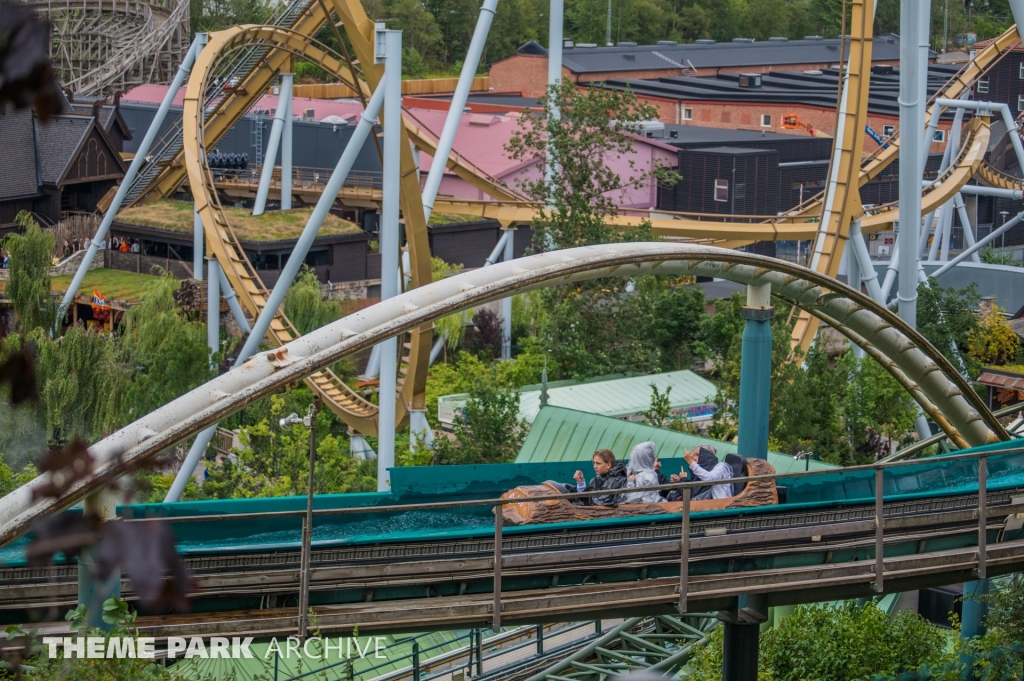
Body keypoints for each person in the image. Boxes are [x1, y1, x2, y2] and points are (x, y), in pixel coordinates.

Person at [561, 449, 628, 506]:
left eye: (598, 463)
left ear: (608, 465)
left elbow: (601, 501)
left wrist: (575, 500)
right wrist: (581, 483)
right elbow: (588, 495)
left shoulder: (616, 480)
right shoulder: (598, 478)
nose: (594, 466)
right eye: (594, 463)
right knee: (561, 487)